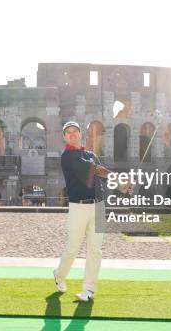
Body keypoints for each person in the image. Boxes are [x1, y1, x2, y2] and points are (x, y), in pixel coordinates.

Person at [53, 121, 132, 301]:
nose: (72, 134)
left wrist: (121, 186)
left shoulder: (91, 154)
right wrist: (119, 177)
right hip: (78, 207)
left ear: (81, 134)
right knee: (73, 247)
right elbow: (94, 170)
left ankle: (88, 290)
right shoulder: (68, 156)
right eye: (68, 132)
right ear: (64, 137)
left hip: (98, 206)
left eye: (75, 131)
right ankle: (59, 275)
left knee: (95, 250)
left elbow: (100, 179)